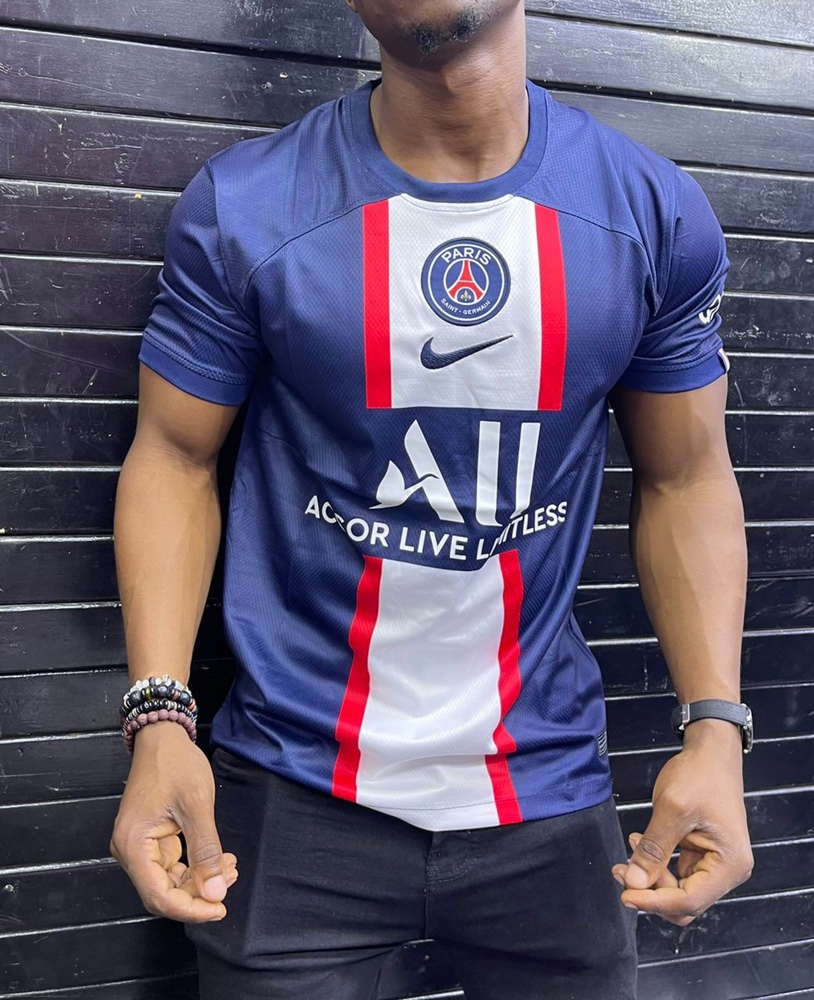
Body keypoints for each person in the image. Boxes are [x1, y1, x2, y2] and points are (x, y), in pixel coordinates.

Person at [109, 1, 754, 997]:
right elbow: (172, 458)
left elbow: (687, 476)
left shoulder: (649, 212)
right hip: (289, 793)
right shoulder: (247, 204)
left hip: (546, 795)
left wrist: (715, 731)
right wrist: (159, 720)